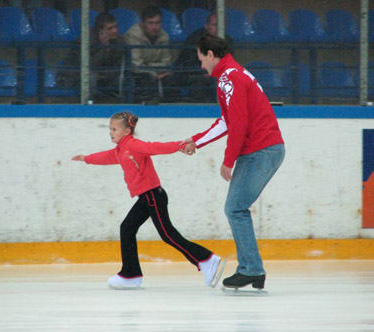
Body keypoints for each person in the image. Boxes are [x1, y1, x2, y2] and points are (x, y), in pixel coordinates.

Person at [72, 111, 226, 290]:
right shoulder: (121, 149)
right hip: (146, 197)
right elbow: (107, 157)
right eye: (110, 128)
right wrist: (87, 159)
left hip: (152, 195)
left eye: (114, 129)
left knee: (167, 234)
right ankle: (130, 274)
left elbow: (156, 147)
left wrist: (180, 146)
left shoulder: (134, 146)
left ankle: (206, 259)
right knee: (127, 228)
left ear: (127, 131)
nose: (110, 132)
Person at [181, 34, 285, 290]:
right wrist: (197, 140)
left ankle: (251, 269)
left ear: (210, 55)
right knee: (236, 208)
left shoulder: (230, 78)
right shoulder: (234, 74)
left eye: (201, 59)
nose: (201, 65)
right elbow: (228, 121)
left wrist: (228, 160)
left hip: (260, 150)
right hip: (265, 149)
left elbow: (238, 124)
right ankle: (253, 270)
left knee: (235, 209)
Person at [57, 12, 125, 101]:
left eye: (115, 27)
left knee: (123, 78)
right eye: (110, 28)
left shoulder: (119, 41)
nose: (114, 31)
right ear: (100, 31)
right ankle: (88, 107)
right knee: (90, 77)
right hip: (75, 77)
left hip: (103, 77)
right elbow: (86, 65)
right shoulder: (85, 39)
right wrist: (104, 49)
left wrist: (103, 75)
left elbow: (118, 66)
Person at [175, 12, 233, 102]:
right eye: (214, 25)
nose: (218, 29)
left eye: (221, 25)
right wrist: (203, 71)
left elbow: (229, 64)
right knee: (199, 81)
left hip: (215, 75)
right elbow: (186, 62)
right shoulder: (195, 39)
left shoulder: (228, 41)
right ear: (206, 26)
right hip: (194, 74)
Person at [123, 6, 177, 102]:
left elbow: (166, 63)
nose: (154, 27)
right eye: (150, 23)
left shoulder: (164, 36)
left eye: (157, 23)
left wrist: (151, 68)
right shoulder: (132, 35)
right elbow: (136, 66)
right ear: (142, 23)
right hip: (137, 75)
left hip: (158, 74)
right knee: (146, 81)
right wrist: (154, 73)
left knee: (174, 80)